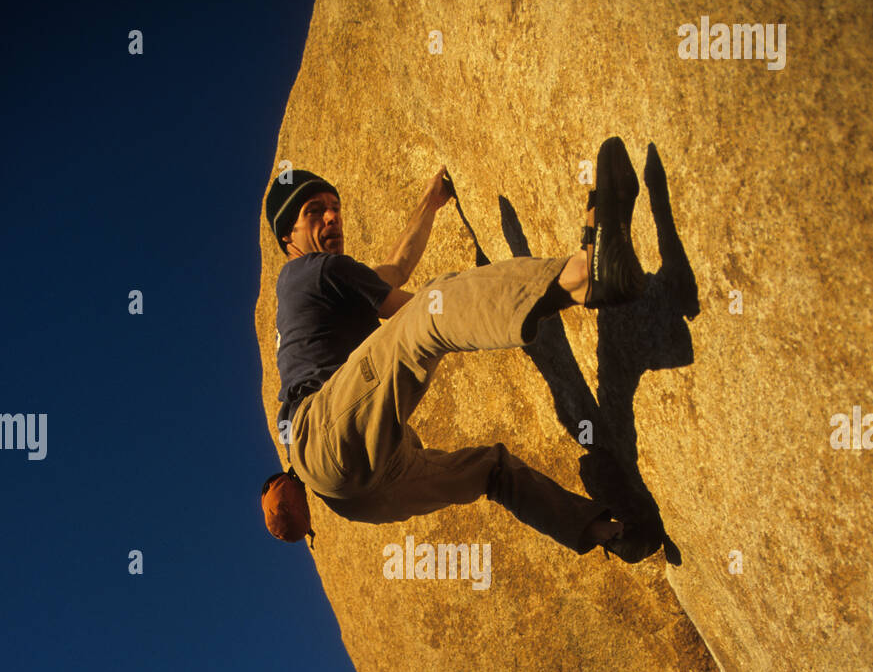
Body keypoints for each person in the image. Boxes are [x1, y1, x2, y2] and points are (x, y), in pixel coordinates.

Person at [262, 138, 659, 562]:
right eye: (314, 211)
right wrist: (485, 301)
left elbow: (393, 271)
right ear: (289, 237)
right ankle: (583, 274)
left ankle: (610, 533)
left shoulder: (313, 286)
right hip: (324, 433)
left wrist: (430, 204)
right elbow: (411, 310)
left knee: (492, 471)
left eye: (335, 206)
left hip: (354, 492)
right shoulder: (310, 270)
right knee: (431, 307)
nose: (332, 216)